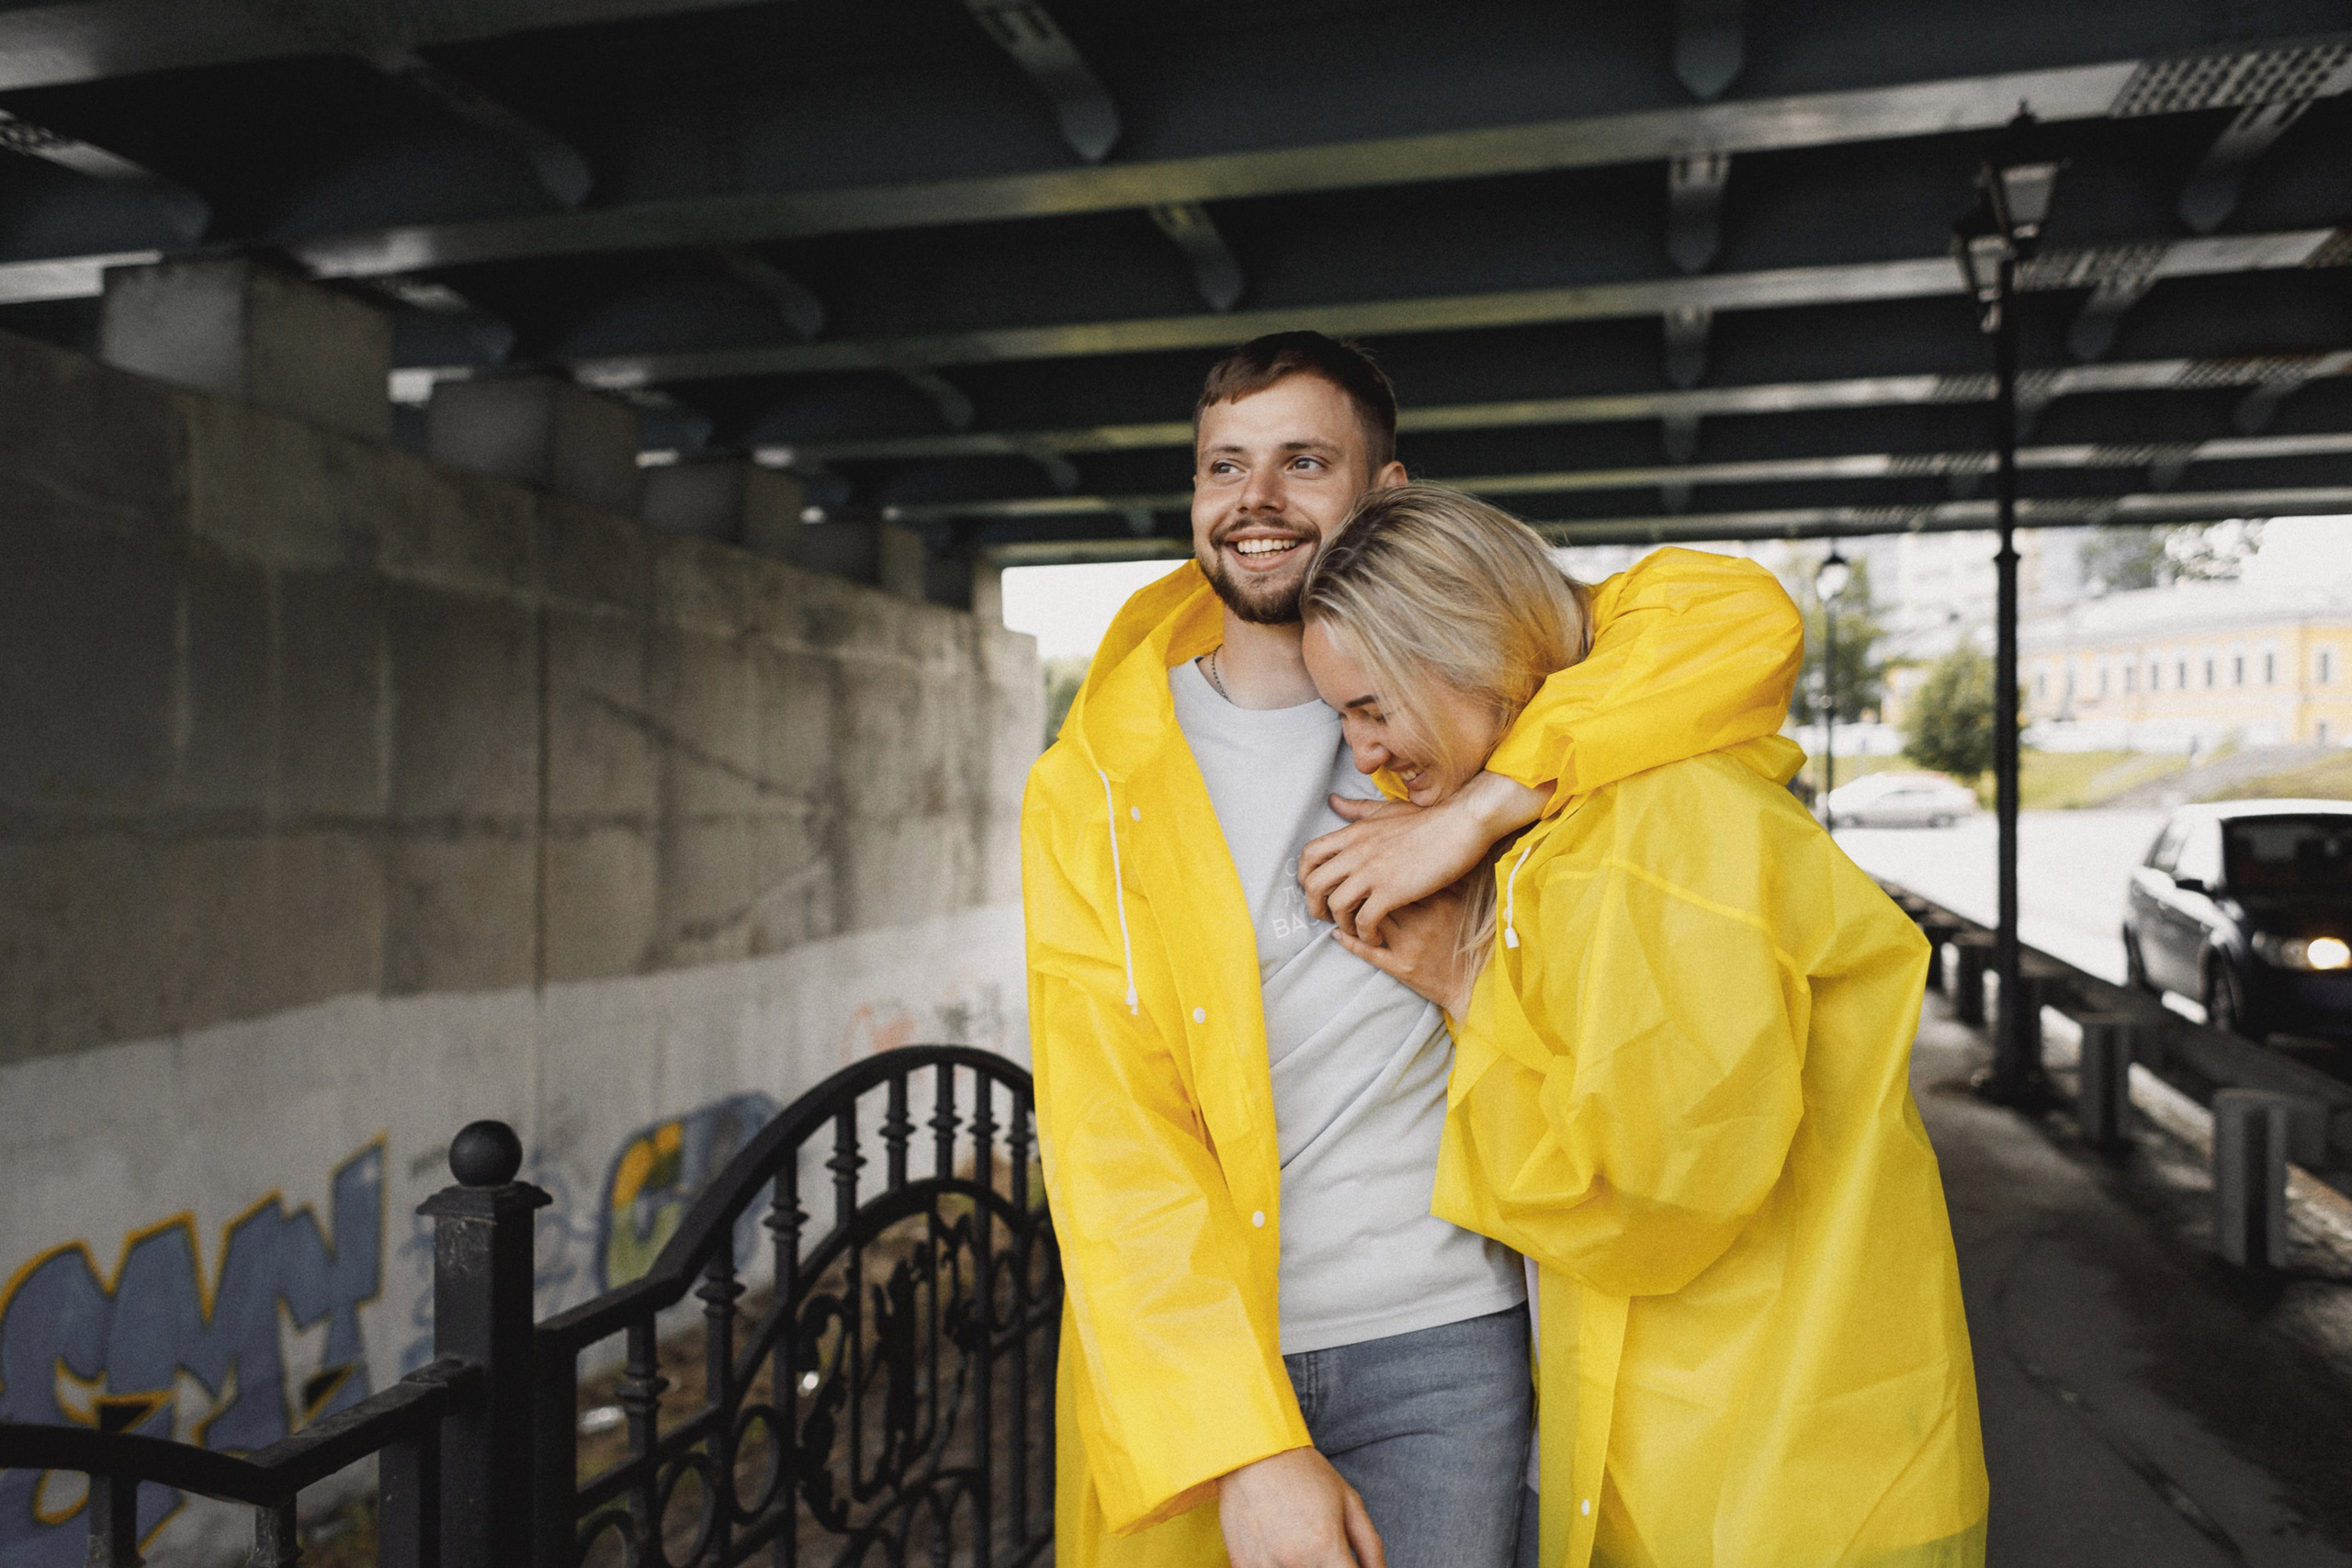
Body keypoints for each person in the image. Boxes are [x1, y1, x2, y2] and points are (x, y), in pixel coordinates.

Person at [1023, 331, 1808, 1568]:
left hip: (1449, 1341)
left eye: (1302, 461)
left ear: (1387, 493)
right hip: (1205, 1371)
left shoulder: (1505, 689)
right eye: (1223, 467)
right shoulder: (1095, 777)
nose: (1256, 503)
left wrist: (1481, 805)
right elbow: (1107, 1132)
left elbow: (1739, 615)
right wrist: (1244, 1443)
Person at [1295, 484, 1989, 1568]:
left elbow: (1645, 1197)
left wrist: (1465, 986)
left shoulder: (1653, 831)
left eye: (1371, 705)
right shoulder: (1592, 809)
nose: (1367, 752)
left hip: (1760, 1483)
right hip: (1754, 1458)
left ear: (1470, 648)